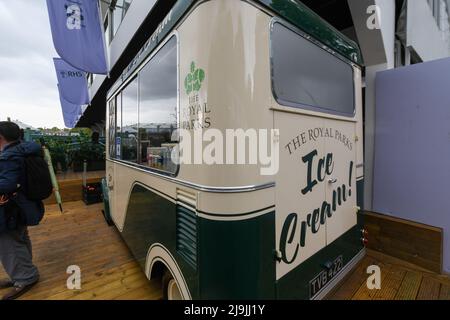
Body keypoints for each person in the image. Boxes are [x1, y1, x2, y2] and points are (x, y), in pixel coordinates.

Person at [0, 122, 42, 300]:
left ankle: (25, 278)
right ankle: (25, 272)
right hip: (24, 205)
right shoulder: (24, 149)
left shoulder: (9, 156)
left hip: (12, 207)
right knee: (20, 237)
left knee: (7, 241)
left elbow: (7, 184)